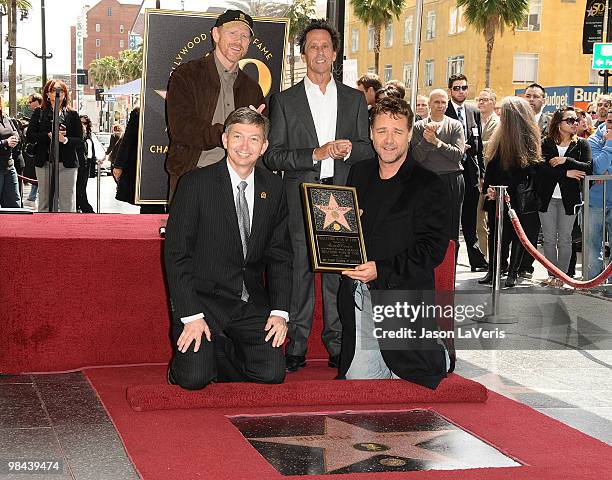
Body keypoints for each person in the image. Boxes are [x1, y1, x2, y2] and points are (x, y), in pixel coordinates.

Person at [264, 19, 373, 373]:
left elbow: (367, 150)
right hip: (300, 196)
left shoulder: (355, 99)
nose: (320, 52)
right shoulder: (283, 100)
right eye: (313, 46)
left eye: (326, 46)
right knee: (300, 271)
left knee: (339, 273)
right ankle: (295, 344)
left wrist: (347, 150)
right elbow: (273, 155)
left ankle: (338, 344)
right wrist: (316, 153)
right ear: (303, 53)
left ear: (335, 53)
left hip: (341, 197)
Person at [164, 107, 293, 390]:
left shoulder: (274, 187)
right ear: (224, 140)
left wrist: (280, 312)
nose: (244, 146)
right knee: (193, 379)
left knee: (272, 373)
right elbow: (176, 255)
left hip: (247, 302)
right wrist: (191, 315)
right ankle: (191, 363)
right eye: (237, 136)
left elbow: (281, 255)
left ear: (264, 146)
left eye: (254, 139)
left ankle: (221, 351)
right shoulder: (195, 183)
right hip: (202, 301)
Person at [337, 97, 451, 389]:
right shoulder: (358, 173)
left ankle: (438, 349)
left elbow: (432, 251)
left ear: (410, 134)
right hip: (361, 295)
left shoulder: (429, 184)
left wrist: (382, 270)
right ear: (371, 133)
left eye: (397, 132)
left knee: (413, 376)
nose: (389, 140)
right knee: (360, 382)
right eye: (382, 130)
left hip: (401, 295)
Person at [165, 9, 265, 202]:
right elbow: (182, 128)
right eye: (232, 33)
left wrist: (260, 130)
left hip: (239, 183)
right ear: (216, 34)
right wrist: (225, 135)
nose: (238, 41)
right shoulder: (186, 75)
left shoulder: (252, 88)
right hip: (192, 177)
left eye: (244, 36)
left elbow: (261, 135)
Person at [480, 97, 543, 288]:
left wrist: (505, 189)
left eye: (504, 112)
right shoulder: (500, 135)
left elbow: (530, 168)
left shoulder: (528, 137)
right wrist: (488, 189)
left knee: (516, 234)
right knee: (495, 234)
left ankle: (513, 272)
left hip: (517, 195)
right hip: (496, 193)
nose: (500, 115)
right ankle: (494, 269)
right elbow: (492, 165)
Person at [537, 107, 591, 287]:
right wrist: (566, 173)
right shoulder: (546, 143)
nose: (575, 123)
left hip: (570, 199)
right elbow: (540, 169)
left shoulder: (582, 144)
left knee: (566, 239)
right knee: (549, 238)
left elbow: (588, 168)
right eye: (570, 120)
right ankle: (552, 275)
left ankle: (561, 277)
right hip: (547, 198)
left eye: (576, 120)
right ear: (558, 124)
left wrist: (564, 161)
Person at [410, 89, 465, 262]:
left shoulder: (455, 125)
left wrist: (436, 142)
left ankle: (449, 271)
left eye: (443, 102)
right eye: (436, 102)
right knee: (425, 225)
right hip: (426, 181)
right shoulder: (419, 127)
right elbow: (416, 157)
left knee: (451, 228)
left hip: (451, 180)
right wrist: (426, 141)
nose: (440, 106)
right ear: (429, 105)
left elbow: (457, 155)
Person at [445, 74, 488, 272]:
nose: (460, 91)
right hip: (450, 172)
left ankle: (476, 260)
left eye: (463, 87)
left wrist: (482, 174)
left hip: (470, 173)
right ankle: (449, 261)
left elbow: (479, 149)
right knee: (451, 220)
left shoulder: (473, 112)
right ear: (450, 91)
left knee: (471, 220)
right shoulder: (443, 110)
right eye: (456, 88)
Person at [26, 79, 83, 212]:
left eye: (61, 90)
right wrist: (48, 135)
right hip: (44, 162)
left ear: (65, 94)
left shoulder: (72, 114)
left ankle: (66, 231)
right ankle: (44, 231)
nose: (58, 93)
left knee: (66, 204)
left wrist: (64, 140)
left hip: (67, 164)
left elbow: (80, 140)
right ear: (47, 94)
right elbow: (30, 136)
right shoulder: (39, 112)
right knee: (45, 203)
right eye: (53, 90)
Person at [519, 82, 550, 279]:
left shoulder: (550, 122)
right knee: (519, 224)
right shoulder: (517, 120)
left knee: (534, 227)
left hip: (543, 182)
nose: (531, 99)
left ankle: (526, 266)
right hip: (520, 180)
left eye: (536, 96)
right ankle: (514, 264)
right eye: (528, 95)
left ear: (543, 101)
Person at [586, 110, 612, 297]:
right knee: (593, 246)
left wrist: (606, 170)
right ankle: (594, 285)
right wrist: (610, 144)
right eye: (610, 121)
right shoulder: (593, 141)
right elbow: (597, 167)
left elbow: (604, 169)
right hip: (594, 202)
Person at [475, 88, 501, 259]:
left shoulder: (498, 123)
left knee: (488, 219)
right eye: (479, 99)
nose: (481, 102)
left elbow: (494, 145)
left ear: (493, 102)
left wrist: (474, 144)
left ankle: (491, 257)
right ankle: (485, 255)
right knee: (478, 220)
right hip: (475, 174)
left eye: (485, 99)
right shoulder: (474, 119)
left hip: (491, 176)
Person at [0, 97, 21, 208]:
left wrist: (14, 140)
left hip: (9, 166)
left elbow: (16, 133)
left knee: (14, 204)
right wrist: (5, 142)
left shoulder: (6, 119)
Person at [24, 93, 43, 203]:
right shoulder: (36, 114)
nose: (29, 104)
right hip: (37, 153)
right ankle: (32, 195)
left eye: (30, 102)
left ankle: (32, 196)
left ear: (37, 101)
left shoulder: (40, 112)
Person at [77, 115, 95, 213]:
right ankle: (85, 207)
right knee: (80, 187)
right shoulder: (79, 135)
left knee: (83, 186)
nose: (83, 125)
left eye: (85, 123)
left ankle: (83, 206)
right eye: (81, 123)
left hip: (87, 164)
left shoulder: (89, 135)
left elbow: (91, 150)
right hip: (79, 164)